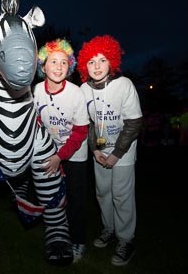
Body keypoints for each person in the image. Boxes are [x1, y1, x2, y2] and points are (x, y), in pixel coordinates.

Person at [78, 35, 143, 266]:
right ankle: (109, 229)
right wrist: (95, 149)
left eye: (102, 60)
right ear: (84, 64)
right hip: (100, 150)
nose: (96, 66)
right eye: (91, 61)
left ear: (112, 62)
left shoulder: (124, 85)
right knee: (102, 192)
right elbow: (88, 124)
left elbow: (134, 122)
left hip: (123, 151)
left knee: (121, 195)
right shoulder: (84, 89)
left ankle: (126, 239)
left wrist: (117, 154)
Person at [33, 38, 90, 262]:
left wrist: (60, 156)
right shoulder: (37, 90)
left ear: (70, 67)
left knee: (76, 200)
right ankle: (58, 237)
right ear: (43, 66)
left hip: (75, 155)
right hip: (49, 154)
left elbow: (80, 132)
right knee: (53, 198)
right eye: (53, 62)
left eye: (64, 63)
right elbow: (36, 122)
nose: (58, 67)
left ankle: (78, 241)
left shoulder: (76, 93)